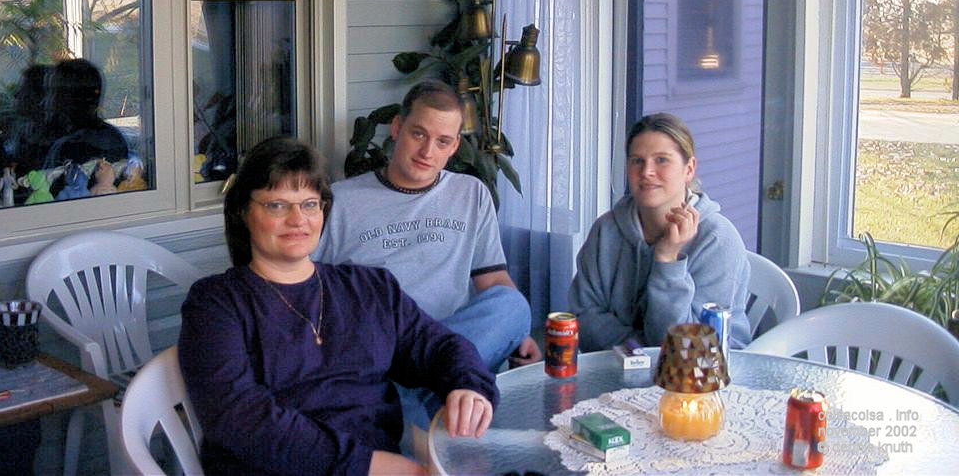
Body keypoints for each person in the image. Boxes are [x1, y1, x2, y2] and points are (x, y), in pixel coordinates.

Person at [179, 137, 497, 475]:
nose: (297, 219)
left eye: (310, 204)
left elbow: (440, 346)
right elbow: (241, 420)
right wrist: (374, 466)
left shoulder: (369, 288)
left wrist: (469, 386)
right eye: (276, 205)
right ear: (243, 212)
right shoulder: (215, 304)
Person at [313, 82, 542, 381]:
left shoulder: (471, 194)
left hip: (453, 338)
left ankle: (421, 392)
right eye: (418, 134)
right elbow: (310, 292)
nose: (427, 152)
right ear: (397, 128)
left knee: (513, 307)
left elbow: (494, 280)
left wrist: (517, 334)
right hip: (382, 349)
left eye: (443, 141)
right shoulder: (340, 200)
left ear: (455, 146)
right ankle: (441, 388)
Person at [568, 112, 751, 352]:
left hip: (708, 377)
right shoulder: (606, 230)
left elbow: (687, 347)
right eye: (637, 161)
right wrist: (640, 350)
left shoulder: (717, 239)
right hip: (615, 370)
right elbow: (583, 317)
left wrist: (667, 261)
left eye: (662, 160)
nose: (647, 172)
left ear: (689, 169)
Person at [42, 58, 128, 171]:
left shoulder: (72, 147)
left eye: (52, 92)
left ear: (70, 98)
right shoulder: (112, 137)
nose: (45, 101)